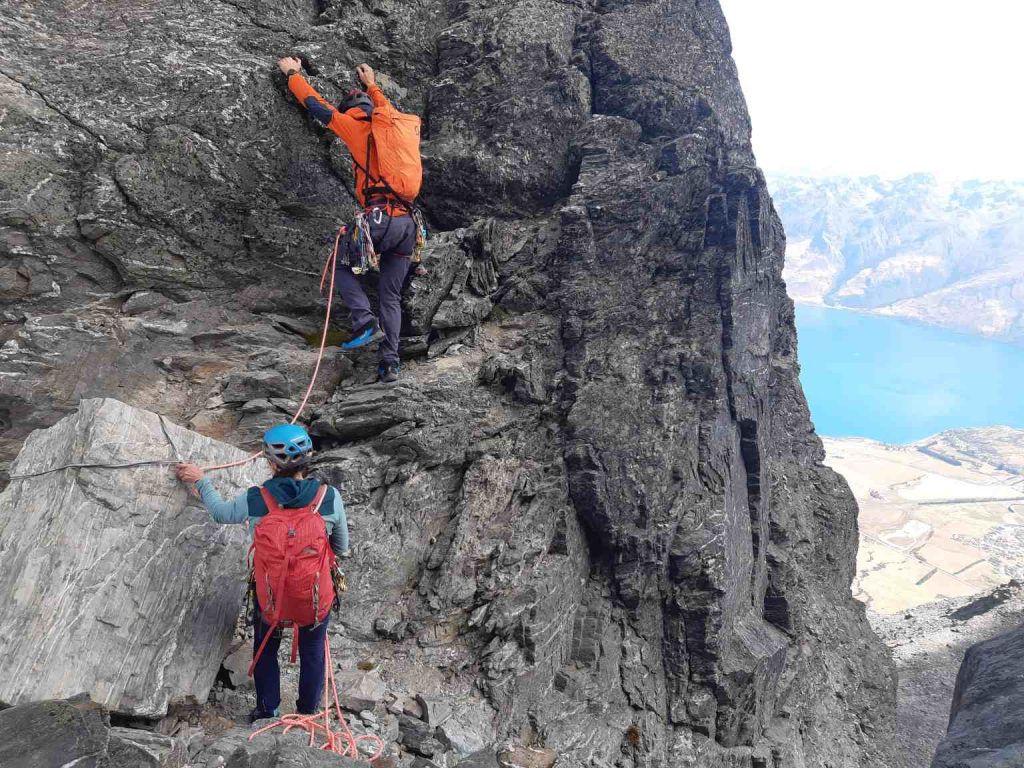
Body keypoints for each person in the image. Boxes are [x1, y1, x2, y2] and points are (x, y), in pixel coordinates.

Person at [175, 423, 350, 722]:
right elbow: (341, 547)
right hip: (314, 595)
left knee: (266, 646)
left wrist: (201, 480)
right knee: (313, 651)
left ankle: (267, 710)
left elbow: (220, 513)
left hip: (271, 596)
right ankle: (308, 712)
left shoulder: (257, 498)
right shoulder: (328, 497)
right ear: (308, 458)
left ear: (270, 462)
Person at [278, 56, 421, 384]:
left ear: (352, 110)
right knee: (390, 295)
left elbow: (315, 104)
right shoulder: (397, 127)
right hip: (408, 226)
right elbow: (384, 107)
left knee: (339, 264)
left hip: (379, 219)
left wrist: (292, 74)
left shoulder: (354, 126)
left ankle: (364, 323)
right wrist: (372, 84)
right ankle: (390, 363)